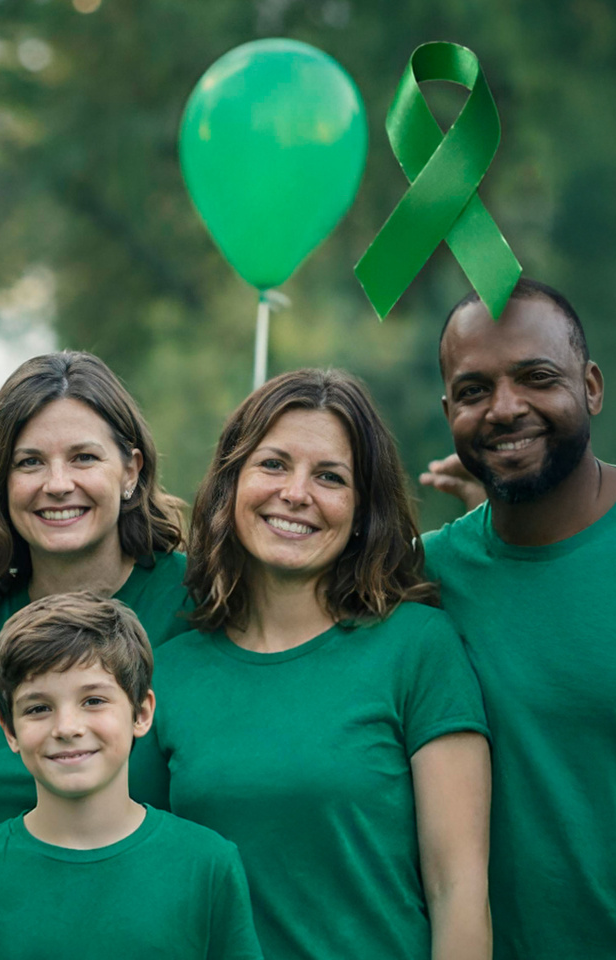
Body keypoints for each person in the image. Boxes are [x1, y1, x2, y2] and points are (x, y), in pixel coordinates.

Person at [136, 368, 492, 960]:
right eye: (273, 464)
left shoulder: (418, 647)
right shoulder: (169, 672)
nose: (296, 493)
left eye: (330, 476)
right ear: (232, 482)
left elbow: (458, 891)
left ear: (362, 509)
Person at [422, 279, 616, 958]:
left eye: (536, 378)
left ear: (591, 386)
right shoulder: (421, 580)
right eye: (473, 391)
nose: (504, 409)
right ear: (447, 411)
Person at [0, 592, 261, 960]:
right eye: (39, 708)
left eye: (93, 700)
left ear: (141, 714)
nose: (67, 727)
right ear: (9, 730)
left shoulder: (208, 864)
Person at [0, 351, 188, 837]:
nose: (57, 484)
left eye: (84, 457)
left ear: (131, 471)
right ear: (2, 480)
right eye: (30, 462)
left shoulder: (201, 602)